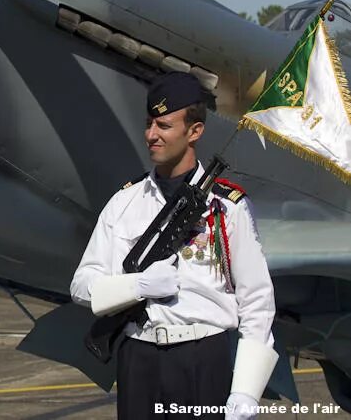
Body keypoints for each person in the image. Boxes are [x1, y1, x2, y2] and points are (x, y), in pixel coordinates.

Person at [70, 73, 277, 420]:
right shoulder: (125, 201)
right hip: (138, 357)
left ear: (194, 131)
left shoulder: (227, 207)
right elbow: (81, 284)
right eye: (149, 123)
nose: (152, 135)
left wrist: (246, 390)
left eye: (164, 125)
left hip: (202, 357)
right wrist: (135, 286)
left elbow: (257, 299)